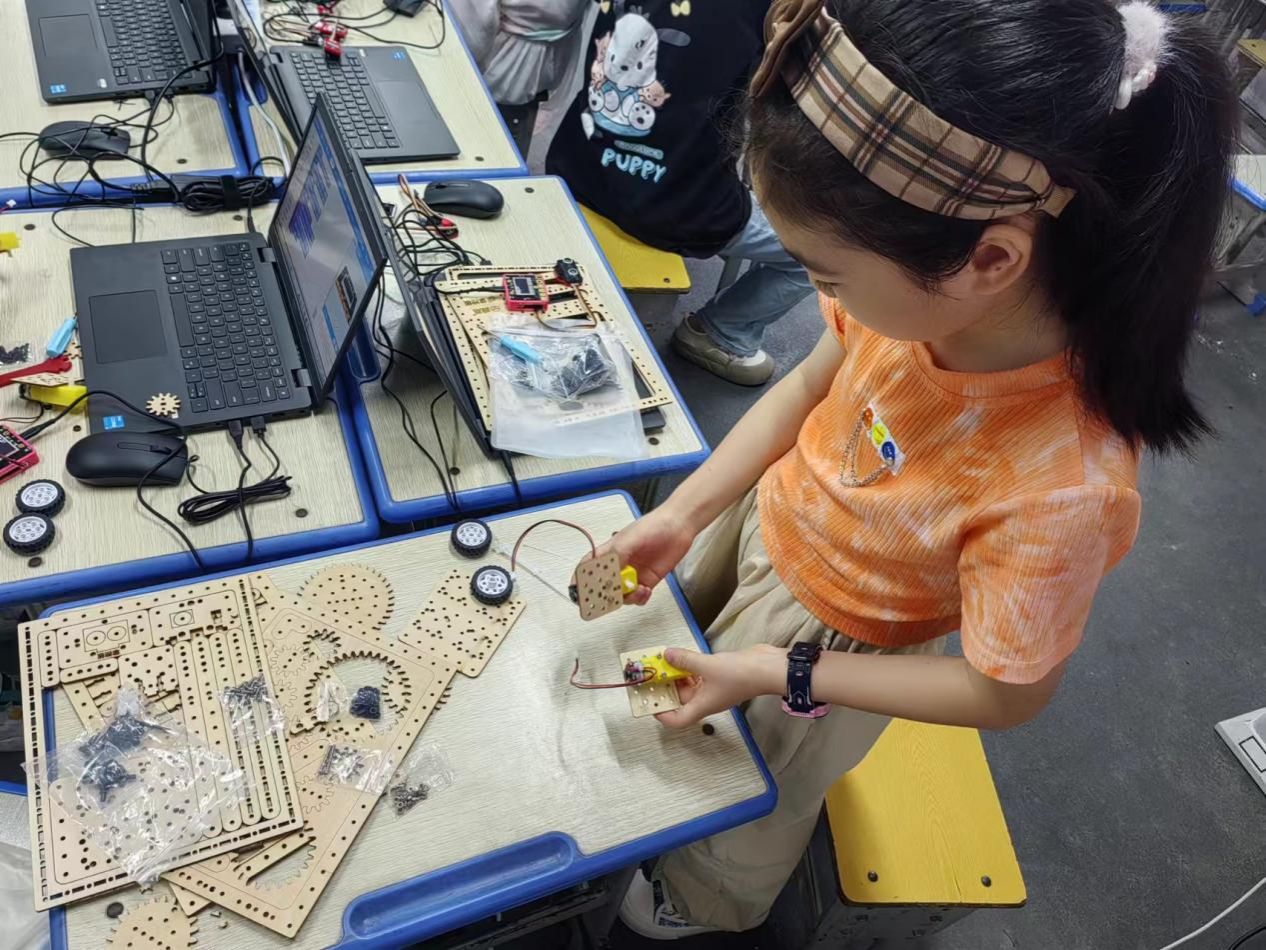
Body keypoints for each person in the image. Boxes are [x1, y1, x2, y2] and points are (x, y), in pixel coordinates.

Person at [590, 0, 1236, 938]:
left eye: (825, 276)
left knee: (747, 798)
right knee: (669, 703)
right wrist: (687, 511)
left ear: (988, 258)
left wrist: (779, 670)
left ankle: (697, 900)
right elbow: (808, 384)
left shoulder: (1064, 485)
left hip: (833, 650)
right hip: (765, 528)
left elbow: (1005, 693)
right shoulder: (918, 307)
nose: (821, 296)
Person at [545, 0, 814, 386]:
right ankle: (722, 333)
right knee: (813, 254)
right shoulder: (776, 10)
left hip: (576, 163)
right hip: (668, 204)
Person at [447, 0, 591, 155]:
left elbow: (472, 27)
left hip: (505, 61)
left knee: (474, 132)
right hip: (546, 56)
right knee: (509, 138)